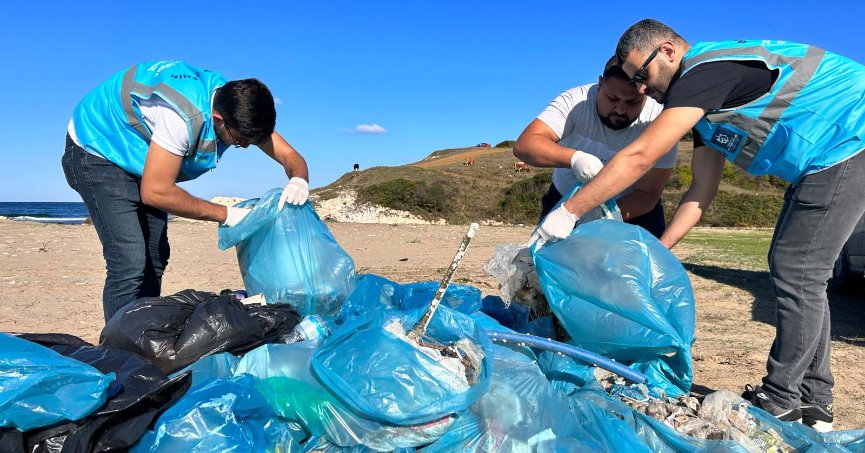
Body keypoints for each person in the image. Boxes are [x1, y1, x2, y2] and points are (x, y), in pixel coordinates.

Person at [532, 19, 865, 431]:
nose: (640, 88)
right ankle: (814, 400)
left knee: (798, 270)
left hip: (850, 143)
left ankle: (781, 397)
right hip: (826, 159)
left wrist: (568, 212)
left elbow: (639, 157)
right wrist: (659, 248)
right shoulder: (706, 109)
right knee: (800, 272)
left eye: (641, 75)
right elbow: (700, 193)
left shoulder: (705, 73)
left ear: (667, 51)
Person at [62, 60, 311, 322]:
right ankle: (118, 342)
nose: (246, 146)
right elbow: (156, 192)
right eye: (240, 141)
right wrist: (227, 214)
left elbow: (289, 155)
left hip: (138, 153)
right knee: (129, 260)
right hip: (97, 146)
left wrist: (299, 179)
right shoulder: (180, 117)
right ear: (219, 120)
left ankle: (140, 329)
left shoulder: (239, 105)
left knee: (156, 256)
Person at [514, 56, 677, 238]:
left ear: (644, 93)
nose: (620, 109)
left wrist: (602, 217)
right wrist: (574, 158)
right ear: (600, 84)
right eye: (612, 98)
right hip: (564, 199)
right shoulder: (575, 101)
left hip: (632, 208)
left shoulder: (659, 119)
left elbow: (647, 194)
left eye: (632, 102)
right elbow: (525, 144)